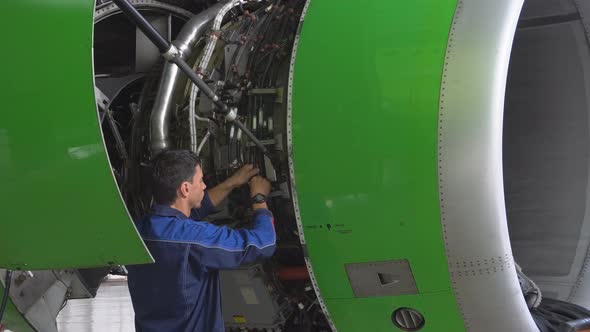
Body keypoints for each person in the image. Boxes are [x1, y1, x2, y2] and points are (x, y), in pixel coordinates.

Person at [127, 150, 276, 332]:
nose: (204, 186)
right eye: (200, 181)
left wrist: (231, 183)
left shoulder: (137, 231)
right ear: (185, 189)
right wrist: (259, 199)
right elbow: (263, 244)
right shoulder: (196, 239)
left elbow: (189, 215)